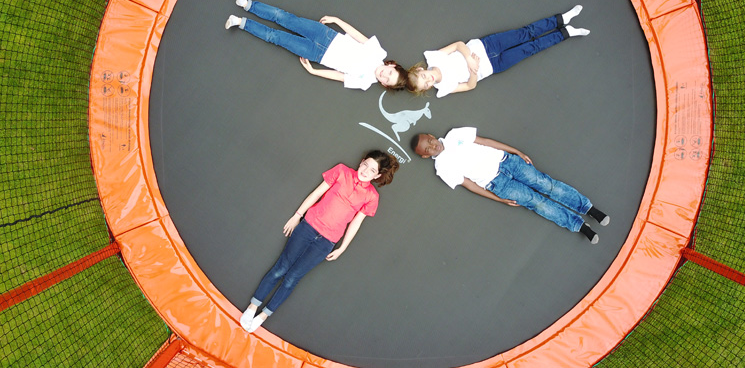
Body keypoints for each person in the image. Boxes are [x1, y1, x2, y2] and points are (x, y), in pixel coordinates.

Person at [239, 150, 400, 332]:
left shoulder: (372, 197)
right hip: (308, 227)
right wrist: (297, 216)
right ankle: (252, 307)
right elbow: (316, 193)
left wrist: (342, 248)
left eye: (372, 170)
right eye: (365, 165)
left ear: (377, 175)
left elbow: (356, 224)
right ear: (361, 162)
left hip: (326, 242)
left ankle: (263, 315)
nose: (365, 171)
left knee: (292, 278)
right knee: (281, 267)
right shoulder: (341, 171)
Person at [411, 128, 608, 243]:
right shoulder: (442, 168)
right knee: (537, 203)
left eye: (430, 140)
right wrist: (499, 198)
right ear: (425, 155)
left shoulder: (454, 135)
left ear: (431, 135)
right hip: (497, 184)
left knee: (546, 184)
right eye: (428, 148)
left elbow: (486, 141)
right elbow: (469, 185)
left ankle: (588, 208)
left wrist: (516, 152)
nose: (432, 145)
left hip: (507, 161)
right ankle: (579, 225)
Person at [226, 0, 408, 91]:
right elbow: (358, 36)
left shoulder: (366, 82)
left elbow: (339, 76)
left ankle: (241, 23)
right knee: (284, 18)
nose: (384, 76)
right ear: (391, 66)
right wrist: (337, 20)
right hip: (326, 35)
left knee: (275, 37)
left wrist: (314, 71)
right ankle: (247, 4)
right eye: (389, 74)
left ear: (384, 84)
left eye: (387, 81)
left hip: (317, 55)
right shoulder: (378, 53)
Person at [406, 6, 588, 97]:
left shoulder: (434, 57)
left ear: (421, 70)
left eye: (423, 78)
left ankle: (561, 19)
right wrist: (474, 70)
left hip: (487, 46)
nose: (428, 81)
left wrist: (469, 58)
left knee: (526, 33)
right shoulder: (443, 88)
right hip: (494, 65)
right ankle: (566, 33)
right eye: (425, 86)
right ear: (426, 89)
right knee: (531, 48)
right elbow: (470, 86)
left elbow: (459, 45)